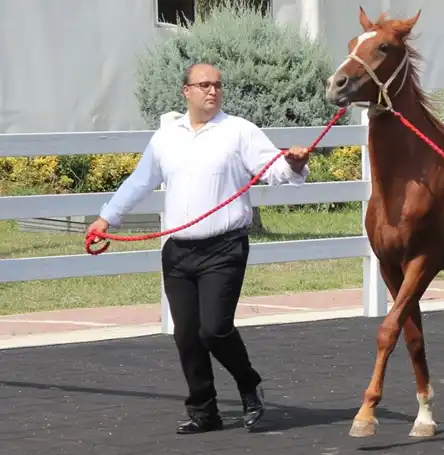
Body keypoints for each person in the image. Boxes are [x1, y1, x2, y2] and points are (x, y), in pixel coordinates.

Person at [86, 63, 313, 435]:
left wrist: (294, 164)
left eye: (218, 85)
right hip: (178, 251)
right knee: (187, 334)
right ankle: (204, 410)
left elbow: (274, 169)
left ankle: (248, 384)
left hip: (224, 248)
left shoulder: (239, 131)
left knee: (215, 330)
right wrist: (106, 218)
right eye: (204, 84)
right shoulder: (166, 137)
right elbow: (140, 181)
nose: (212, 91)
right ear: (186, 91)